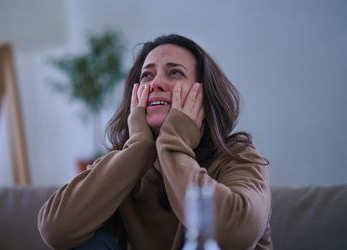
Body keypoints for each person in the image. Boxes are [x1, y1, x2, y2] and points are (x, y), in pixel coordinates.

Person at [37, 34, 272, 250]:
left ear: (203, 95)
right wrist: (140, 145)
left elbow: (233, 235)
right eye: (147, 75)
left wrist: (174, 142)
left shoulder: (239, 157)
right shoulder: (124, 161)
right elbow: (55, 230)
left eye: (175, 73)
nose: (155, 84)